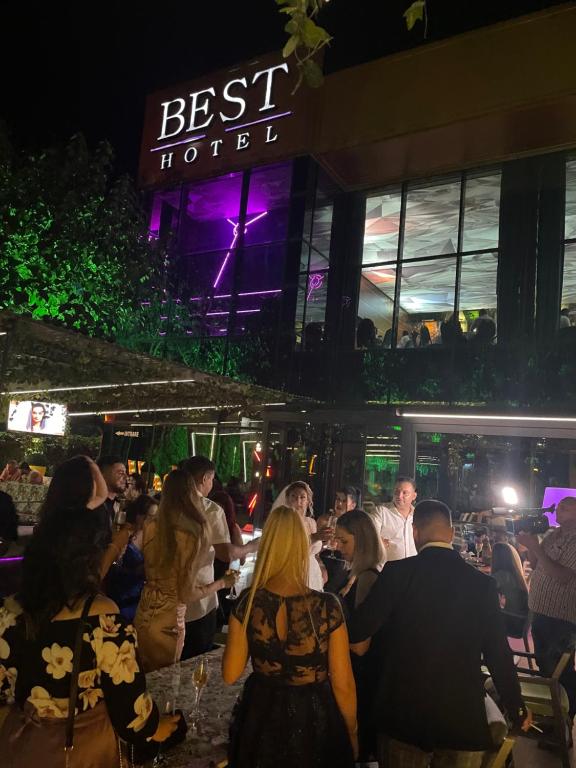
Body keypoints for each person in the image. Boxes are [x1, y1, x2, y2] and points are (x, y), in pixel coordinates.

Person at [0, 455, 179, 767]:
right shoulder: (105, 623)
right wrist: (158, 725)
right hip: (80, 753)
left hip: (20, 749)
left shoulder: (9, 611)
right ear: (92, 555)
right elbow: (132, 718)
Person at [348, 499, 530, 768]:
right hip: (461, 717)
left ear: (415, 533)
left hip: (403, 713)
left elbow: (358, 630)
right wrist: (516, 707)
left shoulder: (397, 573)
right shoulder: (482, 585)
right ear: (452, 533)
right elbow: (498, 653)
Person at [222, 505, 357, 768]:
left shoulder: (248, 603)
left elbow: (230, 674)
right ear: (301, 546)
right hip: (314, 719)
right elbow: (343, 684)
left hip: (261, 717)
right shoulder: (327, 606)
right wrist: (351, 732)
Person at [135, 469, 236, 672]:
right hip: (169, 620)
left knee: (143, 678)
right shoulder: (191, 534)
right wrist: (222, 583)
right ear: (190, 493)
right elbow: (187, 593)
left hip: (144, 612)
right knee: (166, 683)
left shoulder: (151, 525)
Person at [178, 456, 258, 659]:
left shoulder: (167, 506)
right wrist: (251, 547)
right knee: (194, 657)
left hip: (165, 600)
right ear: (205, 478)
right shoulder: (210, 509)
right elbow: (226, 553)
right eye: (211, 479)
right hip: (198, 599)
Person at [518, 496, 576, 724]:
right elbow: (536, 562)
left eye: (567, 506)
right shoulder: (555, 534)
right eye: (559, 505)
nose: (559, 508)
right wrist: (529, 545)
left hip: (561, 617)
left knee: (560, 671)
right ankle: (551, 717)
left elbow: (563, 577)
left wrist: (536, 549)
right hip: (542, 612)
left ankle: (564, 719)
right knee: (545, 666)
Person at [334, 509, 385, 763]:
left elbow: (361, 644)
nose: (339, 547)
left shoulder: (367, 578)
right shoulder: (359, 574)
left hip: (360, 677)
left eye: (344, 541)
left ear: (362, 540)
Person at [105, 495, 157, 622]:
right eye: (150, 516)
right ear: (139, 515)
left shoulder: (152, 539)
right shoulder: (125, 536)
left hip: (139, 601)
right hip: (120, 598)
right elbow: (112, 567)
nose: (153, 521)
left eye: (156, 518)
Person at [273, 481, 327, 590]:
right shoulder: (283, 523)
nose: (298, 501)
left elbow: (314, 552)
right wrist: (315, 537)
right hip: (292, 571)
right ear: (287, 499)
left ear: (308, 501)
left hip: (312, 572)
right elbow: (291, 549)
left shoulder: (311, 522)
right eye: (294, 496)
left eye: (302, 497)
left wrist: (322, 566)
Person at [371, 476, 418, 561]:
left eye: (405, 493)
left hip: (413, 570)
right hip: (387, 570)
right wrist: (378, 541)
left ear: (414, 496)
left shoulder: (418, 516)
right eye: (397, 492)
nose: (399, 496)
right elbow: (370, 537)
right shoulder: (382, 512)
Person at [491, 542, 529, 635]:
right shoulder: (515, 575)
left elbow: (483, 592)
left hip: (511, 623)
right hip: (520, 622)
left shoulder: (500, 576)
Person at [96, 455, 128, 528]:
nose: (126, 477)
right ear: (103, 475)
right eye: (120, 473)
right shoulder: (94, 505)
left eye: (125, 473)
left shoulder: (117, 504)